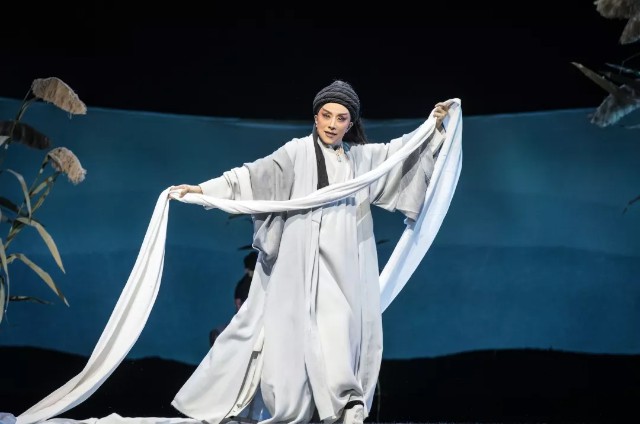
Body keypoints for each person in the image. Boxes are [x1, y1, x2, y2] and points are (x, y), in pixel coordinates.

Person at [168, 80, 454, 424]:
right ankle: (291, 408)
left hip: (343, 263)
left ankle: (345, 405)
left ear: (351, 123)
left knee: (340, 329)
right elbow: (251, 177)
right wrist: (202, 190)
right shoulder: (296, 153)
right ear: (316, 117)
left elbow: (400, 153)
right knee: (285, 338)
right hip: (299, 260)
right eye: (326, 115)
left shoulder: (359, 159)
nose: (332, 124)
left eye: (341, 118)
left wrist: (433, 128)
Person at [209, 251, 259, 347]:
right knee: (215, 334)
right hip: (244, 322)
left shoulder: (247, 284)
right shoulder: (246, 284)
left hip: (248, 323)